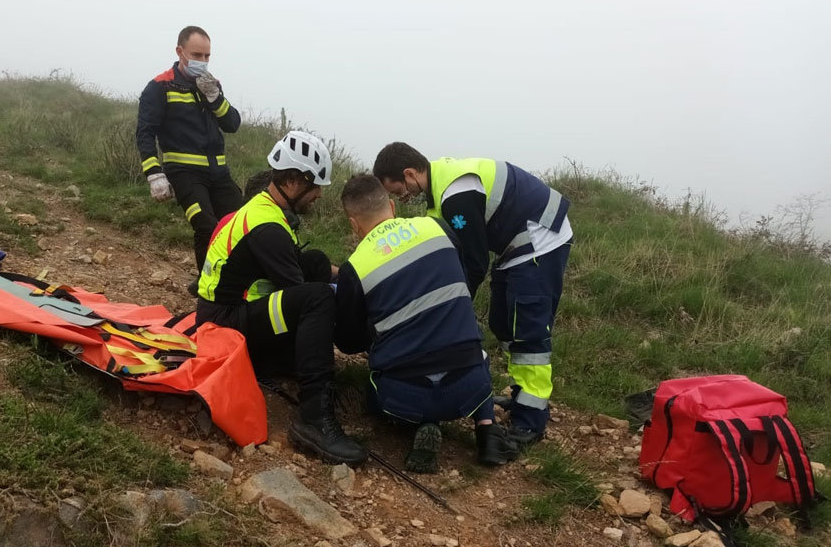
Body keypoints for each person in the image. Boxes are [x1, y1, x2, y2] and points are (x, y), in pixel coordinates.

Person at [372, 143, 572, 458]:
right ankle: (522, 395)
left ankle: (531, 419)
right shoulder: (439, 195)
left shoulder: (457, 194)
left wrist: (455, 308)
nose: (401, 198)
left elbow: (475, 262)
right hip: (514, 247)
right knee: (502, 322)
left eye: (398, 190)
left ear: (410, 174)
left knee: (527, 329)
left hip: (539, 241)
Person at [196, 131, 367, 466]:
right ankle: (314, 419)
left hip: (229, 315)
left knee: (315, 261)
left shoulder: (267, 210)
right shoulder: (268, 228)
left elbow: (302, 269)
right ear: (293, 181)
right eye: (315, 186)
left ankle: (282, 360)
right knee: (317, 299)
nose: (318, 194)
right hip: (224, 328)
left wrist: (349, 276)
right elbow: (300, 293)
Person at [334, 176, 516, 472]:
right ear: (392, 206)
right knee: (474, 349)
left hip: (402, 397)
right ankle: (487, 431)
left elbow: (349, 342)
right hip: (468, 386)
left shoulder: (353, 268)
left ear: (354, 225)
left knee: (375, 391)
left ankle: (423, 423)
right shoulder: (438, 228)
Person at [137, 25, 242, 296]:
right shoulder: (160, 86)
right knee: (206, 226)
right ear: (180, 52)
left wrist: (215, 97)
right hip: (183, 172)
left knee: (239, 227)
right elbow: (145, 132)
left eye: (207, 56)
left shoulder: (210, 84)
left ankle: (228, 283)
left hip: (218, 173)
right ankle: (209, 293)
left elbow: (232, 124)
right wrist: (154, 173)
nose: (203, 61)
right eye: (197, 54)